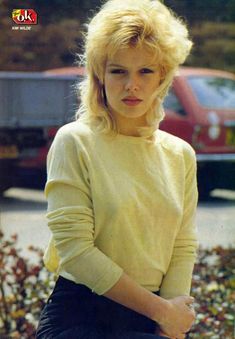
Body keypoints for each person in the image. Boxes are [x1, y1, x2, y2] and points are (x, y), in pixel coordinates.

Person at [36, 0, 199, 338]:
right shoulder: (75, 141)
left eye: (145, 71)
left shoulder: (180, 154)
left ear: (163, 77)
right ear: (99, 75)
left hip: (153, 318)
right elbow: (76, 252)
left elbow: (182, 245)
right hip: (81, 316)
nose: (131, 85)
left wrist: (169, 323)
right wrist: (163, 312)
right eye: (118, 70)